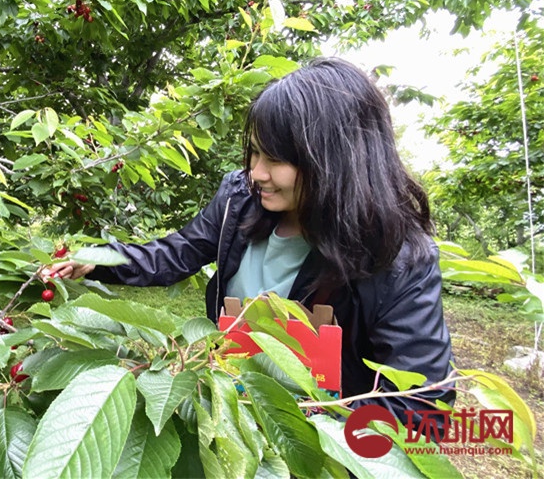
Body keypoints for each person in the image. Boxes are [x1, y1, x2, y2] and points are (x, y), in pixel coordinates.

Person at [45, 57, 455, 427]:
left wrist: (311, 437)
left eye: (275, 159)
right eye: (255, 153)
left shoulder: (397, 257)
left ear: (334, 161)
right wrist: (98, 260)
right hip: (222, 414)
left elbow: (422, 407)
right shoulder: (239, 200)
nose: (256, 173)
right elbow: (177, 252)